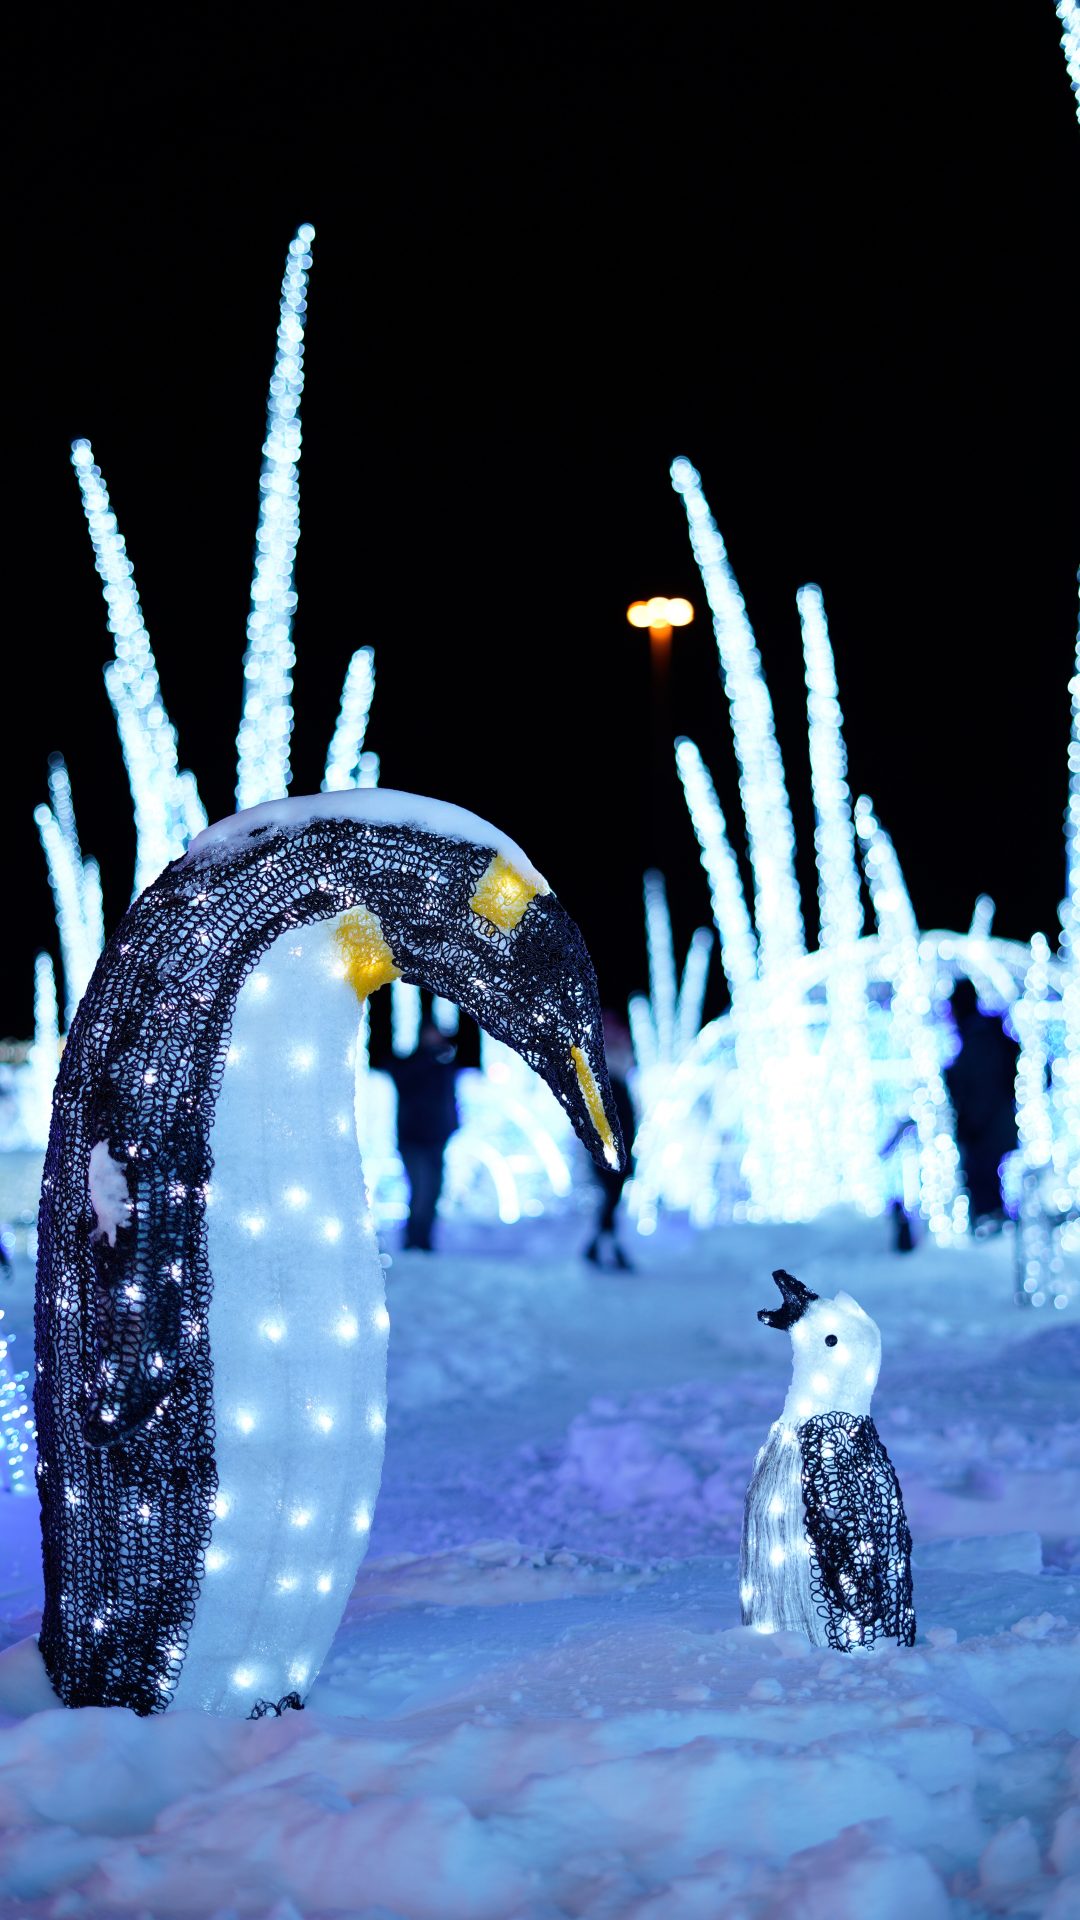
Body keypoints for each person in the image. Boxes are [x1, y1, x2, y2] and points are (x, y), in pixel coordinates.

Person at [943, 977, 1020, 1231]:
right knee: (987, 1185)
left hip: (985, 1130)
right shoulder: (981, 1034)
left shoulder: (979, 1037)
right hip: (989, 1127)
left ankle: (992, 1233)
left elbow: (982, 1086)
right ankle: (992, 1228)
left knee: (985, 1189)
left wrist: (972, 1123)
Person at [388, 1020, 460, 1252]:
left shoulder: (444, 1064)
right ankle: (414, 1243)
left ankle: (424, 1242)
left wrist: (452, 1125)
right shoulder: (412, 1063)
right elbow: (403, 1080)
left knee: (434, 1191)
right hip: (413, 1139)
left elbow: (448, 1099)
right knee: (421, 1192)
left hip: (437, 1139)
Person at [583, 1013, 637, 1270]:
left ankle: (597, 1247)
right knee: (611, 1199)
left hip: (614, 1153)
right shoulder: (610, 1085)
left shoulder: (612, 1084)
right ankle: (606, 1248)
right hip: (611, 1154)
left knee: (611, 1200)